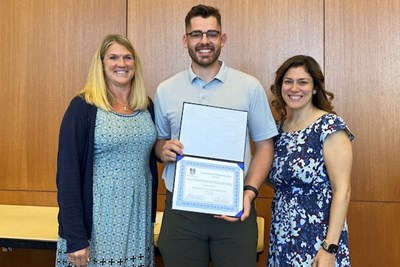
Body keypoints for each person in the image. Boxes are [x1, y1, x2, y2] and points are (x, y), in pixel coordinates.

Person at [154, 4, 278, 267]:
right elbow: (158, 142)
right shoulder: (166, 90)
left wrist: (249, 192)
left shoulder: (249, 87)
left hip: (235, 209)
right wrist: (162, 150)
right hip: (182, 211)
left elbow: (265, 146)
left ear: (223, 39)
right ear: (185, 40)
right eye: (196, 34)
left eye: (212, 33)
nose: (204, 41)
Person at [55, 34, 158, 267]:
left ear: (135, 64)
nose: (121, 64)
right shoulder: (83, 108)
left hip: (137, 224)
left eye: (127, 57)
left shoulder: (146, 106)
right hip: (97, 227)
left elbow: (151, 155)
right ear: (101, 64)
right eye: (113, 57)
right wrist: (75, 237)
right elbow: (68, 176)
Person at [267, 55, 354, 267]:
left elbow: (343, 190)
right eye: (288, 81)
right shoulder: (278, 129)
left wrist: (329, 248)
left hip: (318, 236)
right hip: (282, 233)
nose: (294, 88)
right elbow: (275, 178)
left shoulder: (329, 126)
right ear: (280, 87)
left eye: (303, 82)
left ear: (315, 87)